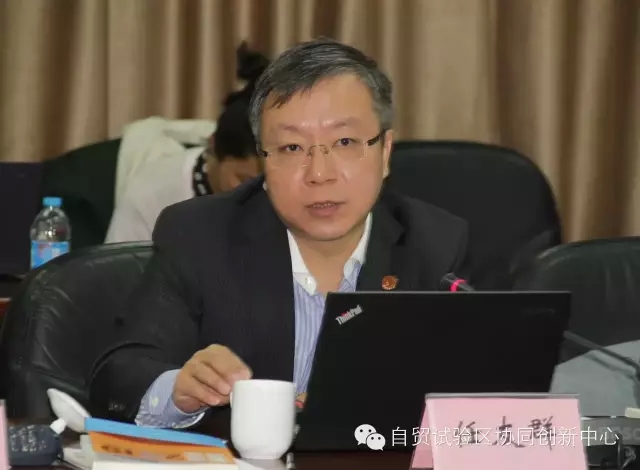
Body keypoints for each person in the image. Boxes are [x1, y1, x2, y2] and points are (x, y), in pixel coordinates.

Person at [89, 38, 470, 429]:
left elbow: (475, 392)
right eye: (291, 147)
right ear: (263, 162)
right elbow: (122, 373)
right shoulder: (201, 235)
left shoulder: (435, 245)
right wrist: (178, 391)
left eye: (344, 142)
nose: (319, 174)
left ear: (385, 152)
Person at [104, 42, 268, 243]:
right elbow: (120, 261)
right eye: (244, 180)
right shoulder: (153, 192)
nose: (258, 195)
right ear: (213, 147)